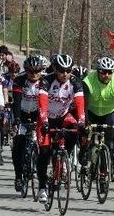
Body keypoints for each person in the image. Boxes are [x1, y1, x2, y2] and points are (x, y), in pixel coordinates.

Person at [35, 54, 85, 205]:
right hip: (46, 117)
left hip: (63, 116)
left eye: (68, 70)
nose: (65, 74)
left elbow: (80, 103)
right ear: (56, 69)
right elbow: (42, 103)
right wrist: (44, 121)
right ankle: (42, 187)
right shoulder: (46, 81)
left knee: (76, 130)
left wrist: (82, 121)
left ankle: (64, 158)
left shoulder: (75, 82)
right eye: (62, 70)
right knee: (44, 152)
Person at [81, 57, 114, 171]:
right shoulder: (88, 80)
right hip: (91, 111)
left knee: (108, 139)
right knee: (84, 132)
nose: (106, 75)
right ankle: (83, 152)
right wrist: (86, 121)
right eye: (103, 72)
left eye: (109, 72)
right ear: (98, 71)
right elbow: (84, 103)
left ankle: (103, 170)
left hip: (108, 112)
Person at [11, 55, 46, 192]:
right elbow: (17, 101)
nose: (34, 74)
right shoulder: (19, 80)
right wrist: (17, 120)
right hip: (22, 113)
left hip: (38, 114)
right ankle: (18, 176)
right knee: (18, 144)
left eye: (37, 71)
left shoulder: (45, 81)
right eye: (31, 72)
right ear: (26, 71)